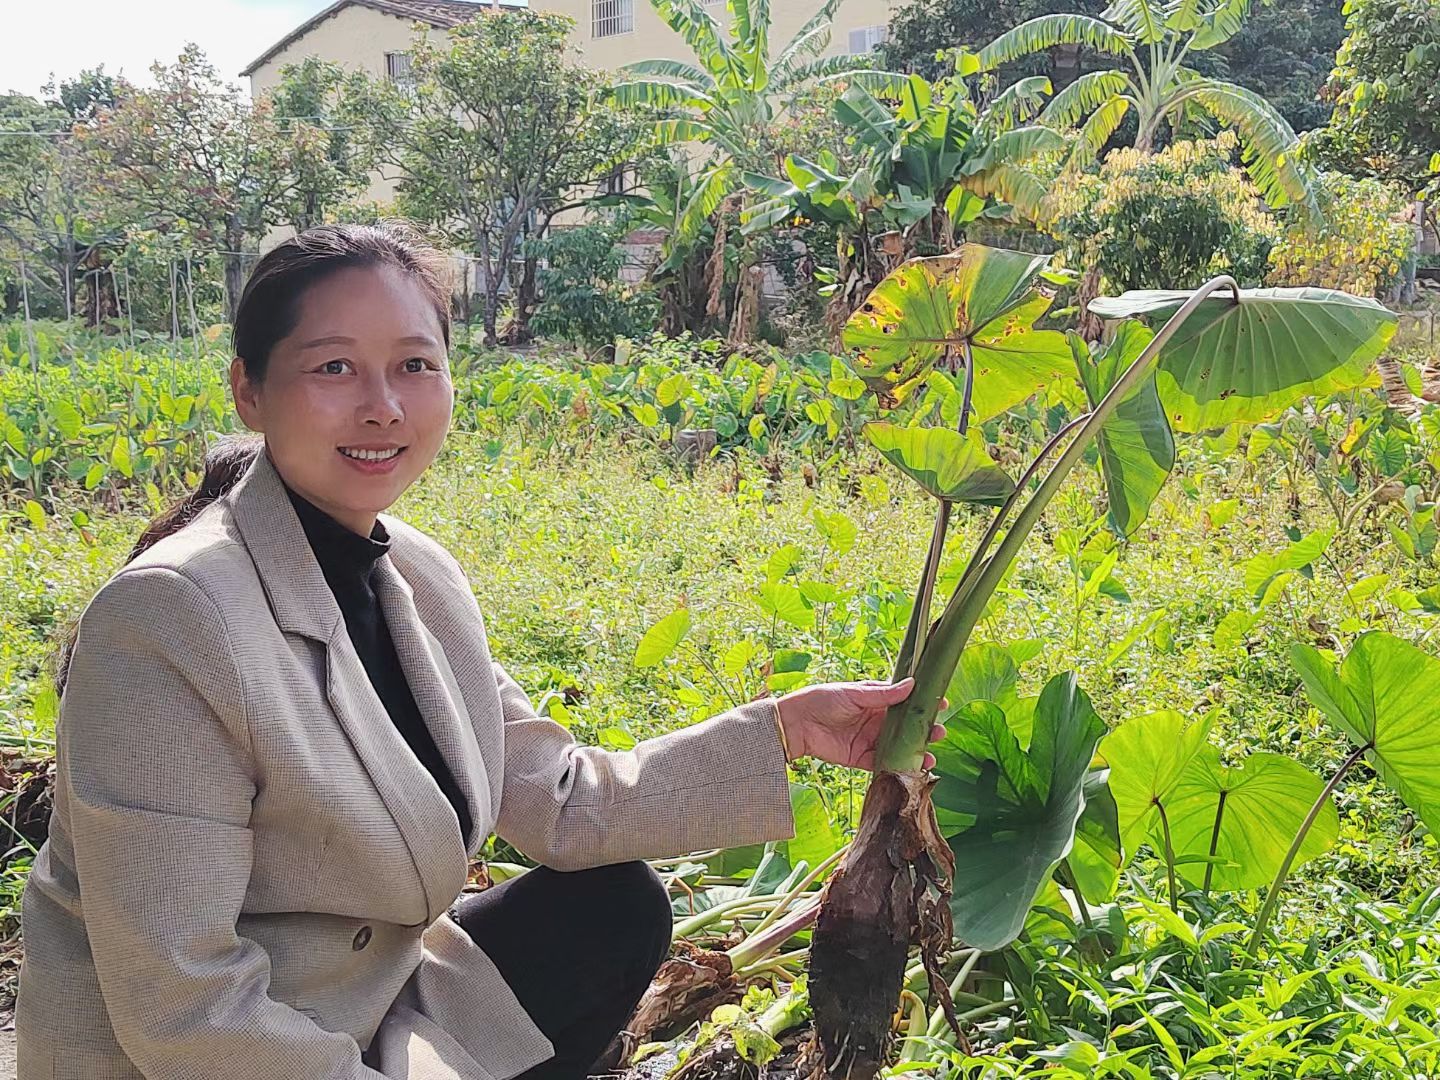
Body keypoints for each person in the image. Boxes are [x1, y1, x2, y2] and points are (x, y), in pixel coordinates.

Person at [15, 223, 946, 1080]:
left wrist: (784, 729)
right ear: (249, 390)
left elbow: (561, 799)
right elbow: (184, 1005)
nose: (382, 407)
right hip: (207, 1052)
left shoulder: (414, 574)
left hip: (362, 1001)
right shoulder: (172, 617)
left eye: (414, 364)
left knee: (614, 907)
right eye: (334, 368)